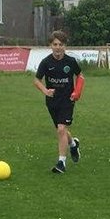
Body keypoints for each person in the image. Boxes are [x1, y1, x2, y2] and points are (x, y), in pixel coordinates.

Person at [33, 30, 83, 174]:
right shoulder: (46, 62)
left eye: (60, 44)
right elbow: (36, 80)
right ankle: (73, 144)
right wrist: (45, 91)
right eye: (55, 44)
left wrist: (77, 92)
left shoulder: (71, 62)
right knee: (61, 130)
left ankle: (61, 162)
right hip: (52, 101)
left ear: (65, 46)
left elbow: (80, 76)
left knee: (61, 129)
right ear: (51, 45)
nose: (58, 47)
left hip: (67, 100)